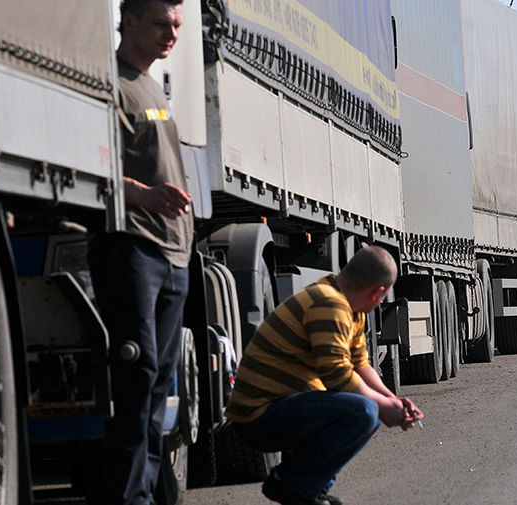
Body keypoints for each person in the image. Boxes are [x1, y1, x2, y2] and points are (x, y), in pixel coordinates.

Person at [87, 1, 192, 503]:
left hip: (174, 255)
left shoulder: (153, 85)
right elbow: (92, 162)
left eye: (176, 25)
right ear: (127, 19)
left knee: (156, 387)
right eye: (159, 23)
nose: (170, 34)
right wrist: (145, 196)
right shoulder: (110, 82)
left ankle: (147, 494)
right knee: (137, 377)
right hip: (133, 247)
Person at [226, 246, 424, 505]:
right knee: (363, 411)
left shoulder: (350, 306)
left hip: (285, 404)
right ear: (378, 292)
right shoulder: (330, 304)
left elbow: (359, 364)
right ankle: (293, 484)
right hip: (259, 416)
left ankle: (309, 488)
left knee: (369, 408)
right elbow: (337, 374)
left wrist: (392, 400)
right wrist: (382, 406)